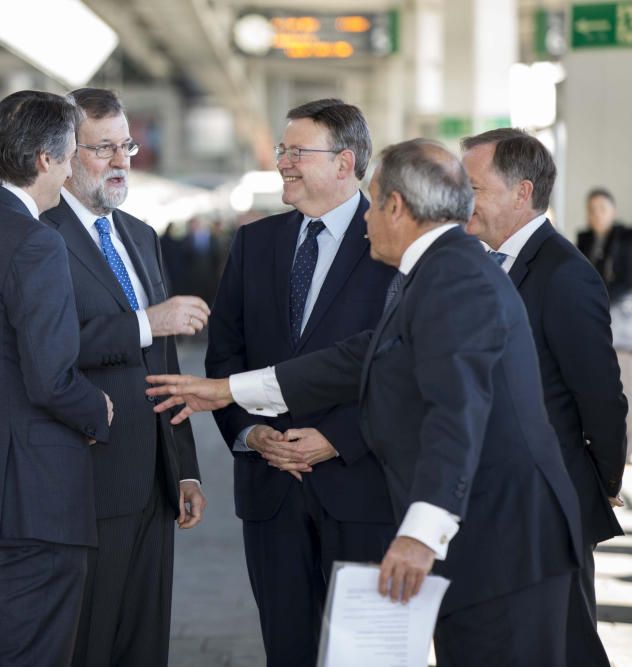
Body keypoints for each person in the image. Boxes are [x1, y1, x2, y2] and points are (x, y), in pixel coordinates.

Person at [146, 139, 583, 667]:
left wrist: (420, 536)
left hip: (505, 544)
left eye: (373, 205)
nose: (366, 220)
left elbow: (458, 414)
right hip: (491, 537)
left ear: (396, 206)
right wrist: (226, 391)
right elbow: (356, 358)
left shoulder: (454, 279)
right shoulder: (435, 270)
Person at [204, 99, 395, 666]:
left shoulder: (390, 245)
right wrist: (251, 434)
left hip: (362, 487)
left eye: (296, 152)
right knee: (287, 650)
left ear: (344, 162)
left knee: (367, 654)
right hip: (272, 493)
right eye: (282, 151)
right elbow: (225, 356)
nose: (283, 162)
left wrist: (341, 438)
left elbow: (402, 369)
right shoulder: (254, 244)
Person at [0, 91, 114, 667]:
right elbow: (51, 378)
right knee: (32, 651)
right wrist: (98, 408)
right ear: (43, 160)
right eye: (67, 157)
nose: (68, 171)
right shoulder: (36, 241)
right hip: (37, 496)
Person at [40, 87, 206, 667]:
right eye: (102, 148)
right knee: (88, 641)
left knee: (144, 643)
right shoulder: (41, 237)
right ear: (61, 155)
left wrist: (184, 469)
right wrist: (144, 321)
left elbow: (165, 365)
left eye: (126, 145)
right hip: (86, 476)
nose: (120, 161)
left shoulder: (139, 235)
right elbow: (46, 351)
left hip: (153, 482)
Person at [461, 128, 626, 667]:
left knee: (567, 642)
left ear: (521, 192)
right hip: (500, 499)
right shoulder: (483, 262)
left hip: (553, 499)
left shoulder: (563, 274)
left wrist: (596, 485)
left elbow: (600, 396)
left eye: (475, 188)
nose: (463, 201)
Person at [578, 188, 632, 301]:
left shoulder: (626, 238)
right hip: (589, 300)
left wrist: (599, 298)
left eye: (602, 209)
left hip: (619, 302)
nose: (597, 214)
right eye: (592, 210)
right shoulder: (584, 239)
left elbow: (627, 281)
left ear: (613, 212)